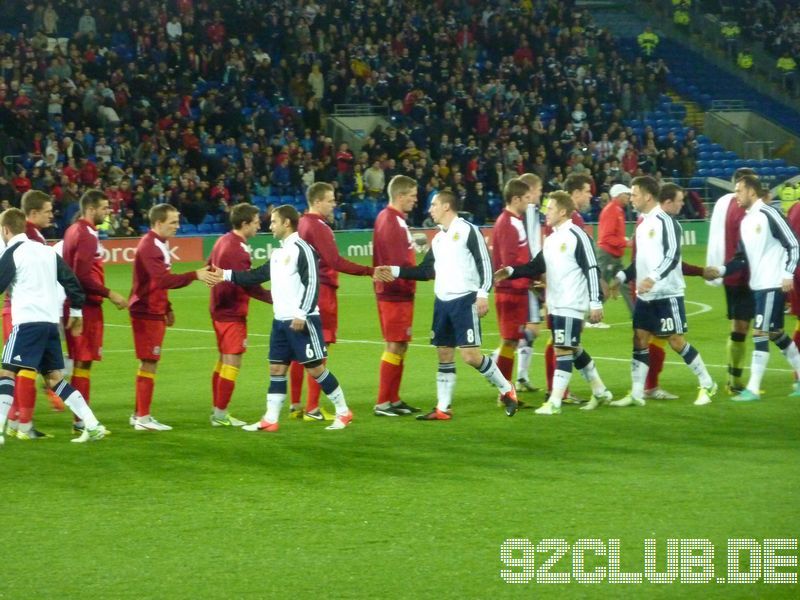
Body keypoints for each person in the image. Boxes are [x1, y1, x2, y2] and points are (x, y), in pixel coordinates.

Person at [379, 190, 519, 420]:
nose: (430, 209)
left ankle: (506, 388)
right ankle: (443, 408)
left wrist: (483, 294)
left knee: (471, 356)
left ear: (446, 206)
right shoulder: (440, 238)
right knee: (444, 354)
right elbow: (426, 271)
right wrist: (394, 271)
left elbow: (486, 265)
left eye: (433, 205)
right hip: (442, 302)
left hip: (465, 300)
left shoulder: (467, 230)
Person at [219, 205, 353, 431]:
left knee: (316, 369)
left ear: (286, 223)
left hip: (303, 321)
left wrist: (302, 313)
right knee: (276, 370)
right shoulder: (279, 253)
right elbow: (255, 276)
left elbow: (313, 283)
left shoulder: (303, 249)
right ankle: (270, 419)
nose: (269, 225)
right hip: (280, 322)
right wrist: (223, 274)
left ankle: (343, 412)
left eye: (273, 221)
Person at [494, 191, 613, 414]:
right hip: (556, 303)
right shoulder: (551, 239)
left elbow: (592, 269)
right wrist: (510, 271)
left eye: (550, 208)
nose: (546, 212)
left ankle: (555, 402)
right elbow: (535, 266)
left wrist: (596, 302)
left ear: (562, 211)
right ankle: (600, 391)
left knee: (562, 349)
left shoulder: (577, 235)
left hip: (571, 303)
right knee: (573, 348)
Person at [0, 208, 107, 445]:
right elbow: (72, 283)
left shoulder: (12, 253)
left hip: (27, 323)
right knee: (55, 380)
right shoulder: (47, 251)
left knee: (7, 372)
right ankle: (93, 424)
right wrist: (77, 311)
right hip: (49, 325)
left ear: (5, 230)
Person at [610, 176, 717, 407]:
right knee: (639, 339)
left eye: (635, 193)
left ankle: (707, 382)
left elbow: (673, 257)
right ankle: (637, 393)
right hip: (646, 295)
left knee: (676, 341)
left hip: (667, 292)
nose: (632, 198)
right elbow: (638, 261)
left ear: (648, 196)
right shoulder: (641, 223)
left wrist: (652, 278)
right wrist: (619, 278)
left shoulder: (666, 222)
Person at [705, 174, 800, 401]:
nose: (735, 195)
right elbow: (741, 258)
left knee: (759, 333)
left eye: (739, 191)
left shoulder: (770, 213)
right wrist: (722, 270)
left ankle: (753, 388)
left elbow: (794, 243)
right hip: (758, 286)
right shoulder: (747, 221)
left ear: (752, 192)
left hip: (772, 284)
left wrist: (787, 274)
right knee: (776, 334)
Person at [128, 204, 221, 431]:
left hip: (154, 309)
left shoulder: (160, 243)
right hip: (146, 312)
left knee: (149, 361)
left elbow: (158, 281)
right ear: (159, 223)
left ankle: (139, 414)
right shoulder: (150, 245)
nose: (177, 226)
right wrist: (195, 275)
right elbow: (161, 280)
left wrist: (167, 307)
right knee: (149, 361)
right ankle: (143, 418)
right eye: (173, 222)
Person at [290, 182, 374, 421]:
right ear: (317, 202)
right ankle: (313, 408)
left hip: (303, 291)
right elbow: (335, 261)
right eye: (330, 199)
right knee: (319, 347)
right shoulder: (319, 226)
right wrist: (369, 270)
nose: (334, 204)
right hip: (322, 291)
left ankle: (296, 405)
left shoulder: (302, 223)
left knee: (300, 349)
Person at [62, 189, 129, 433]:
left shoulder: (73, 230)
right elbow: (81, 276)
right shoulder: (87, 234)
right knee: (83, 362)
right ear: (90, 209)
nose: (107, 212)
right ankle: (81, 421)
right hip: (84, 306)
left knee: (82, 362)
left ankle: (80, 419)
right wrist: (111, 294)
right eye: (104, 208)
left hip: (77, 304)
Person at [3, 190, 63, 440]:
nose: (52, 215)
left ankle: (15, 420)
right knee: (23, 366)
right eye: (48, 211)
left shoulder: (23, 234)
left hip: (19, 308)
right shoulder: (27, 238)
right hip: (23, 309)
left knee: (16, 366)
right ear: (33, 213)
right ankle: (23, 424)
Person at [207, 203, 273, 427]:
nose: (259, 225)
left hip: (218, 308)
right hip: (231, 311)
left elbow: (209, 268)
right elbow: (247, 283)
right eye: (255, 222)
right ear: (244, 224)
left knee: (223, 360)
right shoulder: (238, 249)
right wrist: (273, 298)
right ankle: (220, 414)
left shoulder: (222, 240)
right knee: (232, 360)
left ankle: (217, 411)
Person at [371, 175, 422, 417]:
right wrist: (420, 273)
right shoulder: (391, 221)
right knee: (394, 344)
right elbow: (397, 262)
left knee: (400, 344)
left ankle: (393, 398)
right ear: (400, 196)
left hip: (398, 292)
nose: (415, 200)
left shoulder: (393, 219)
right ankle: (382, 403)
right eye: (412, 195)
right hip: (394, 293)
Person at [705, 168, 756, 394]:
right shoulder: (740, 208)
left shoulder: (724, 204)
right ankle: (734, 380)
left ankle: (734, 379)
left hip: (738, 274)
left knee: (741, 326)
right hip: (741, 275)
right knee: (743, 327)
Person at [490, 178, 532, 390]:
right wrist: (530, 278)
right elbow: (509, 264)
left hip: (518, 290)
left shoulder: (514, 221)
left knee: (512, 341)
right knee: (509, 341)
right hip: (510, 291)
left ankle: (505, 388)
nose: (529, 201)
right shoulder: (508, 223)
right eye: (526, 198)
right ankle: (504, 390)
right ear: (515, 199)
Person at [514, 172, 545, 392]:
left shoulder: (526, 213)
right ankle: (495, 361)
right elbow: (533, 245)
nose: (541, 194)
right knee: (531, 329)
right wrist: (538, 272)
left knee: (530, 329)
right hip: (529, 276)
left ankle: (522, 377)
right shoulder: (529, 212)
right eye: (540, 190)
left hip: (527, 274)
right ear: (531, 190)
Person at [597, 184, 633, 313]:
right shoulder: (611, 210)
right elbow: (606, 237)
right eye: (626, 194)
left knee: (624, 283)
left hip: (614, 256)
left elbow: (613, 235)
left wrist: (624, 241)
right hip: (608, 256)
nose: (629, 197)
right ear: (618, 195)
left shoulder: (617, 210)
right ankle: (590, 318)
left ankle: (637, 317)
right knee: (603, 288)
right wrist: (625, 243)